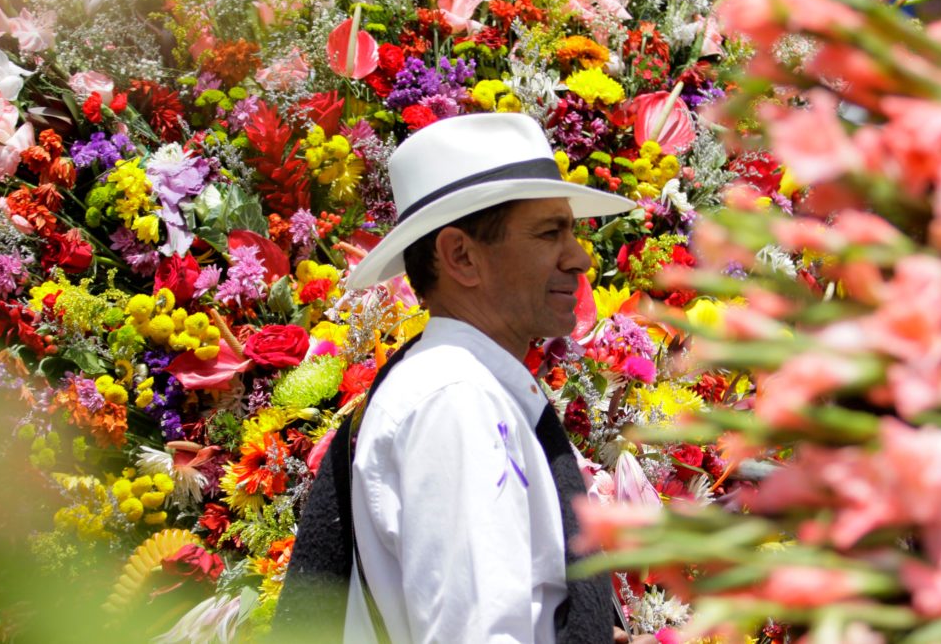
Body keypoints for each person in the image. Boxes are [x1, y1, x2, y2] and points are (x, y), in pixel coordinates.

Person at [274, 113, 656, 643]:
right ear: (461, 256)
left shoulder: (452, 386)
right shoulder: (457, 400)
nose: (580, 257)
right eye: (551, 232)